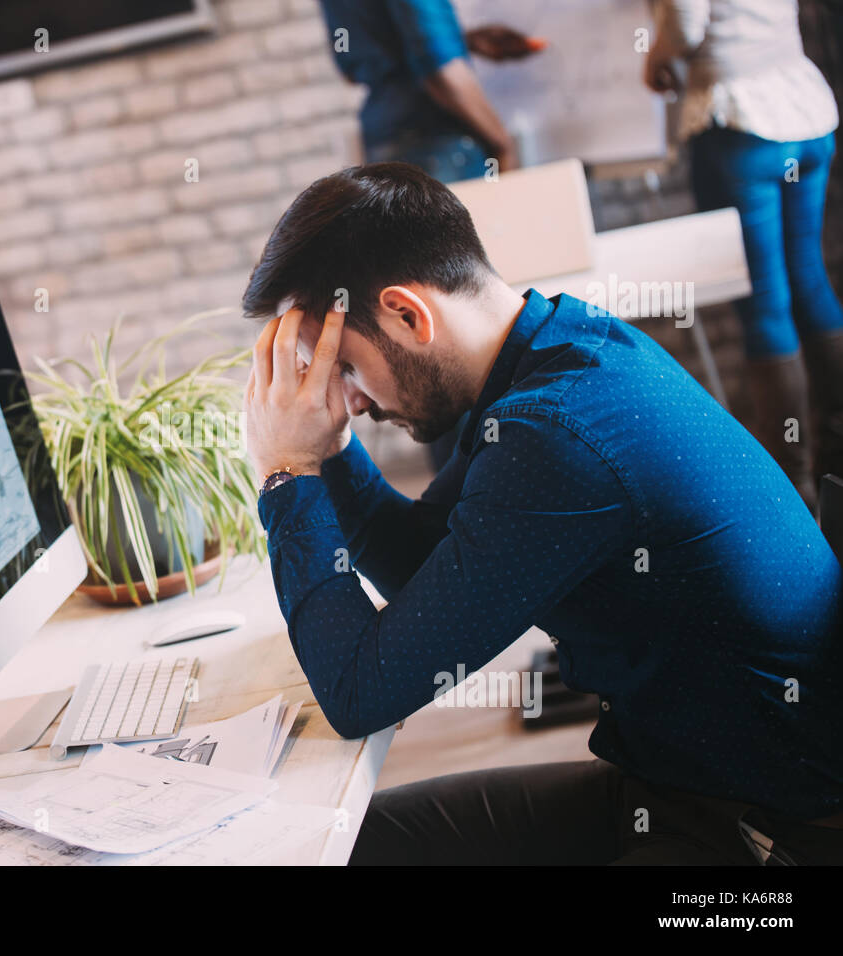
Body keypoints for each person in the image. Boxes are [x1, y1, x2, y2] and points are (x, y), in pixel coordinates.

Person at [240, 162, 843, 864]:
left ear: (407, 314)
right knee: (343, 847)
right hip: (676, 788)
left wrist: (288, 473)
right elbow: (420, 568)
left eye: (343, 367)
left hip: (764, 837)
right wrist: (332, 447)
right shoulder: (557, 350)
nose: (354, 399)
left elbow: (359, 691)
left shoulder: (557, 432)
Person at [316, 0, 543, 471]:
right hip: (440, 143)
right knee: (460, 336)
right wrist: (501, 141)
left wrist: (463, 41)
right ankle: (486, 488)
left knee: (423, 342)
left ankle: (455, 493)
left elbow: (360, 58)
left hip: (390, 135)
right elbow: (439, 69)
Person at [645, 0, 843, 512]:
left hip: (741, 119)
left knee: (766, 305)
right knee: (809, 278)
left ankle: (796, 489)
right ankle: (835, 458)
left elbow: (686, 23)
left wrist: (655, 58)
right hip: (804, 108)